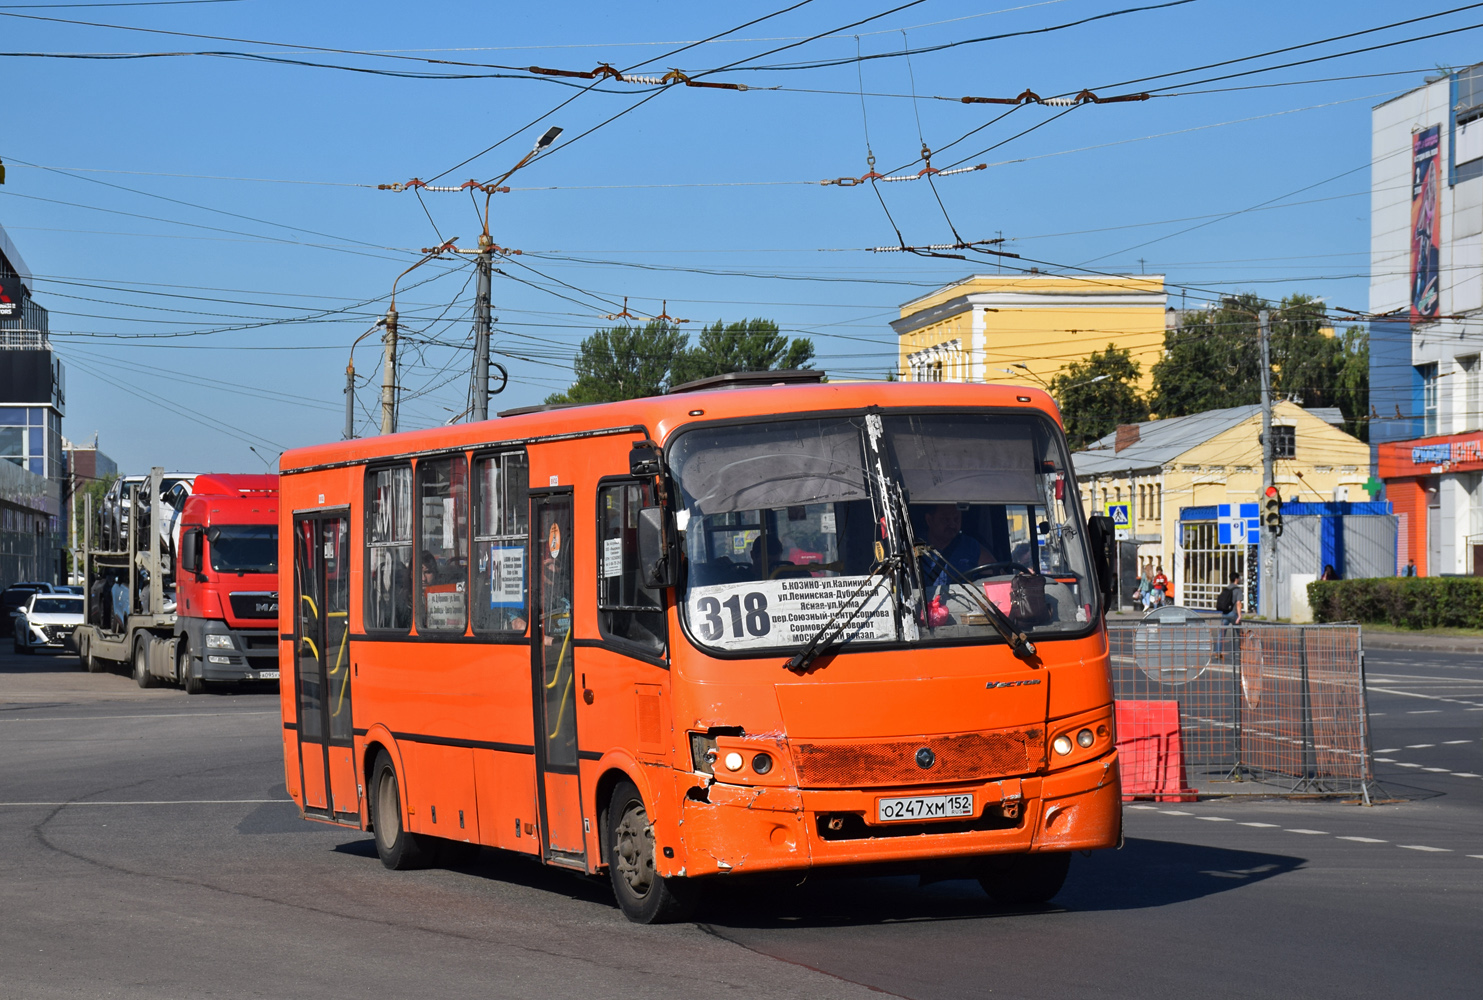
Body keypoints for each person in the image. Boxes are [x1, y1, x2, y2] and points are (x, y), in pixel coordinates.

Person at [919, 503, 994, 586]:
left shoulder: (971, 546)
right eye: (946, 519)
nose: (952, 524)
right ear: (929, 520)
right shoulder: (914, 548)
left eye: (956, 519)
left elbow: (997, 573)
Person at [1211, 570, 1243, 662]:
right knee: (1240, 633)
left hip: (1225, 613)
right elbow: (1238, 603)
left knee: (1222, 633)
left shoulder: (1227, 588)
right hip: (1233, 614)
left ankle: (1217, 652)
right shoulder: (1237, 590)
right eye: (1239, 578)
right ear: (1236, 579)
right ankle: (1243, 650)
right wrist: (1239, 616)